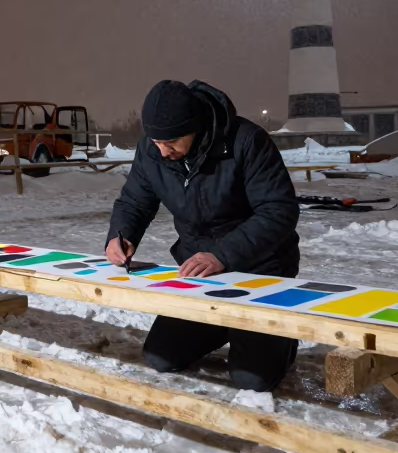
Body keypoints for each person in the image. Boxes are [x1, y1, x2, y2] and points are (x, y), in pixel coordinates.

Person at [106, 79, 300, 391]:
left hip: (260, 270)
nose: (163, 151)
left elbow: (279, 211)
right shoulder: (152, 150)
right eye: (156, 142)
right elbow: (134, 201)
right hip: (199, 274)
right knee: (161, 356)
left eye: (172, 143)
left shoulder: (247, 141)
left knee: (252, 378)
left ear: (195, 127)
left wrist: (223, 255)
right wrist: (121, 235)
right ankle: (221, 325)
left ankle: (283, 336)